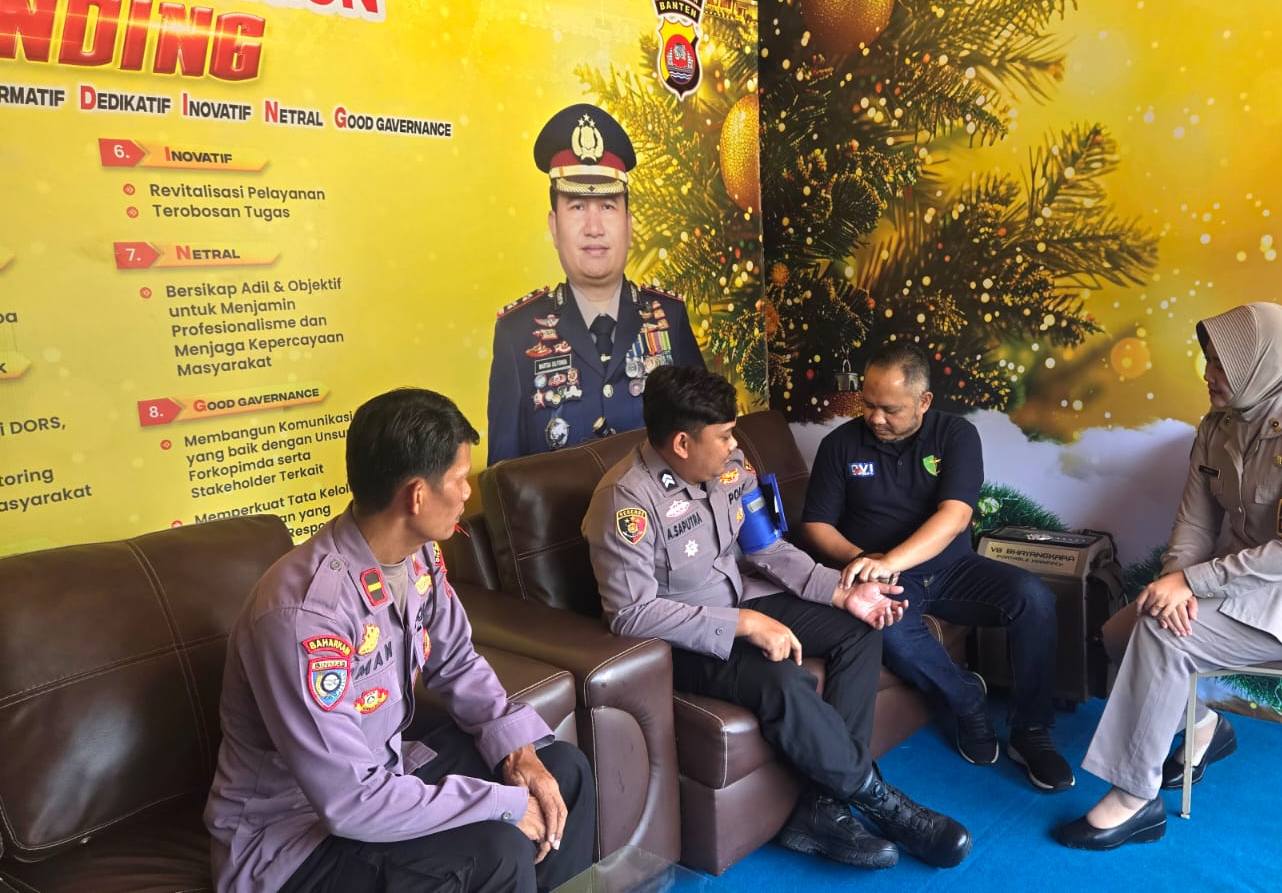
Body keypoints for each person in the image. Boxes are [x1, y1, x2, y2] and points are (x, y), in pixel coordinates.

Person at [582, 365, 972, 871]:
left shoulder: (728, 465)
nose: (734, 445)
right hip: (682, 639)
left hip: (743, 598)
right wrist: (743, 625)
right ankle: (879, 799)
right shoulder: (626, 501)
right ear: (681, 443)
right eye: (724, 435)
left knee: (858, 630)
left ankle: (822, 807)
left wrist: (840, 592)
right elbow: (631, 614)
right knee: (783, 680)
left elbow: (765, 547)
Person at [205, 389, 597, 892]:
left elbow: (456, 662)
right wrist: (501, 804)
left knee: (564, 772)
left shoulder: (418, 558)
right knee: (494, 848)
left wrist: (518, 752)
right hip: (297, 840)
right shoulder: (305, 616)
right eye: (459, 479)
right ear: (416, 496)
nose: (467, 493)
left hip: (386, 776)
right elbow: (349, 803)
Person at [1052, 302, 1282, 850]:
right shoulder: (1216, 427)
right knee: (1120, 633)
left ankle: (1135, 797)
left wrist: (1194, 585)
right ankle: (1204, 726)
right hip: (1236, 579)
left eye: (1223, 365)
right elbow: (1195, 522)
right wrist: (1176, 581)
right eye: (1209, 361)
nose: (1208, 375)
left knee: (1161, 634)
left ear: (1262, 367)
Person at [802, 342, 1075, 792]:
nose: (875, 418)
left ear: (923, 401)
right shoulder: (840, 445)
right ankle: (968, 700)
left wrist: (891, 559)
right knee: (891, 633)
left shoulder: (956, 436)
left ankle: (1031, 730)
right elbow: (816, 524)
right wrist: (860, 558)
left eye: (890, 409)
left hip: (954, 569)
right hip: (887, 580)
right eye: (868, 404)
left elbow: (955, 517)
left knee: (1034, 598)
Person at [488, 103, 703, 464]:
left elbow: (705, 445)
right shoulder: (517, 333)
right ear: (554, 226)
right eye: (577, 207)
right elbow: (503, 480)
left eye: (607, 206)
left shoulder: (670, 317)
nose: (594, 228)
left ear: (629, 224)